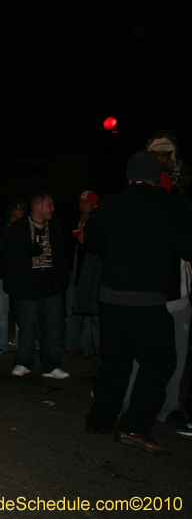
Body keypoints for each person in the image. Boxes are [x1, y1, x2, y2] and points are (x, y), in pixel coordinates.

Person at [84, 151, 192, 454]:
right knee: (160, 361)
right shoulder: (169, 205)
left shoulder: (111, 204)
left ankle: (101, 418)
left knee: (116, 360)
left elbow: (92, 242)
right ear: (157, 177)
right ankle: (135, 426)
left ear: (129, 176)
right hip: (147, 297)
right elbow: (186, 246)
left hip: (110, 295)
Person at [3, 192, 70, 379]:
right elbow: (7, 255)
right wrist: (26, 252)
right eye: (50, 205)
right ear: (38, 206)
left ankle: (52, 366)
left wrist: (62, 280)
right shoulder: (19, 227)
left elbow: (62, 253)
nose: (53, 209)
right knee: (27, 327)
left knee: (52, 328)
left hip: (50, 285)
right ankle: (24, 362)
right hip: (28, 287)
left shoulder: (53, 226)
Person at [64, 191, 99, 359]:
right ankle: (71, 343)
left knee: (87, 310)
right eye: (81, 201)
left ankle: (86, 346)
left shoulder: (97, 220)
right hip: (72, 271)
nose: (83, 205)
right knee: (71, 310)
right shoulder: (74, 220)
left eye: (86, 201)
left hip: (87, 273)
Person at [0, 199, 25, 354]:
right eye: (18, 208)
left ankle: (21, 343)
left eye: (23, 209)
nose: (21, 211)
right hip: (2, 273)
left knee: (20, 312)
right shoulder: (1, 226)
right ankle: (1, 343)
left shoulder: (26, 226)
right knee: (2, 311)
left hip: (19, 275)